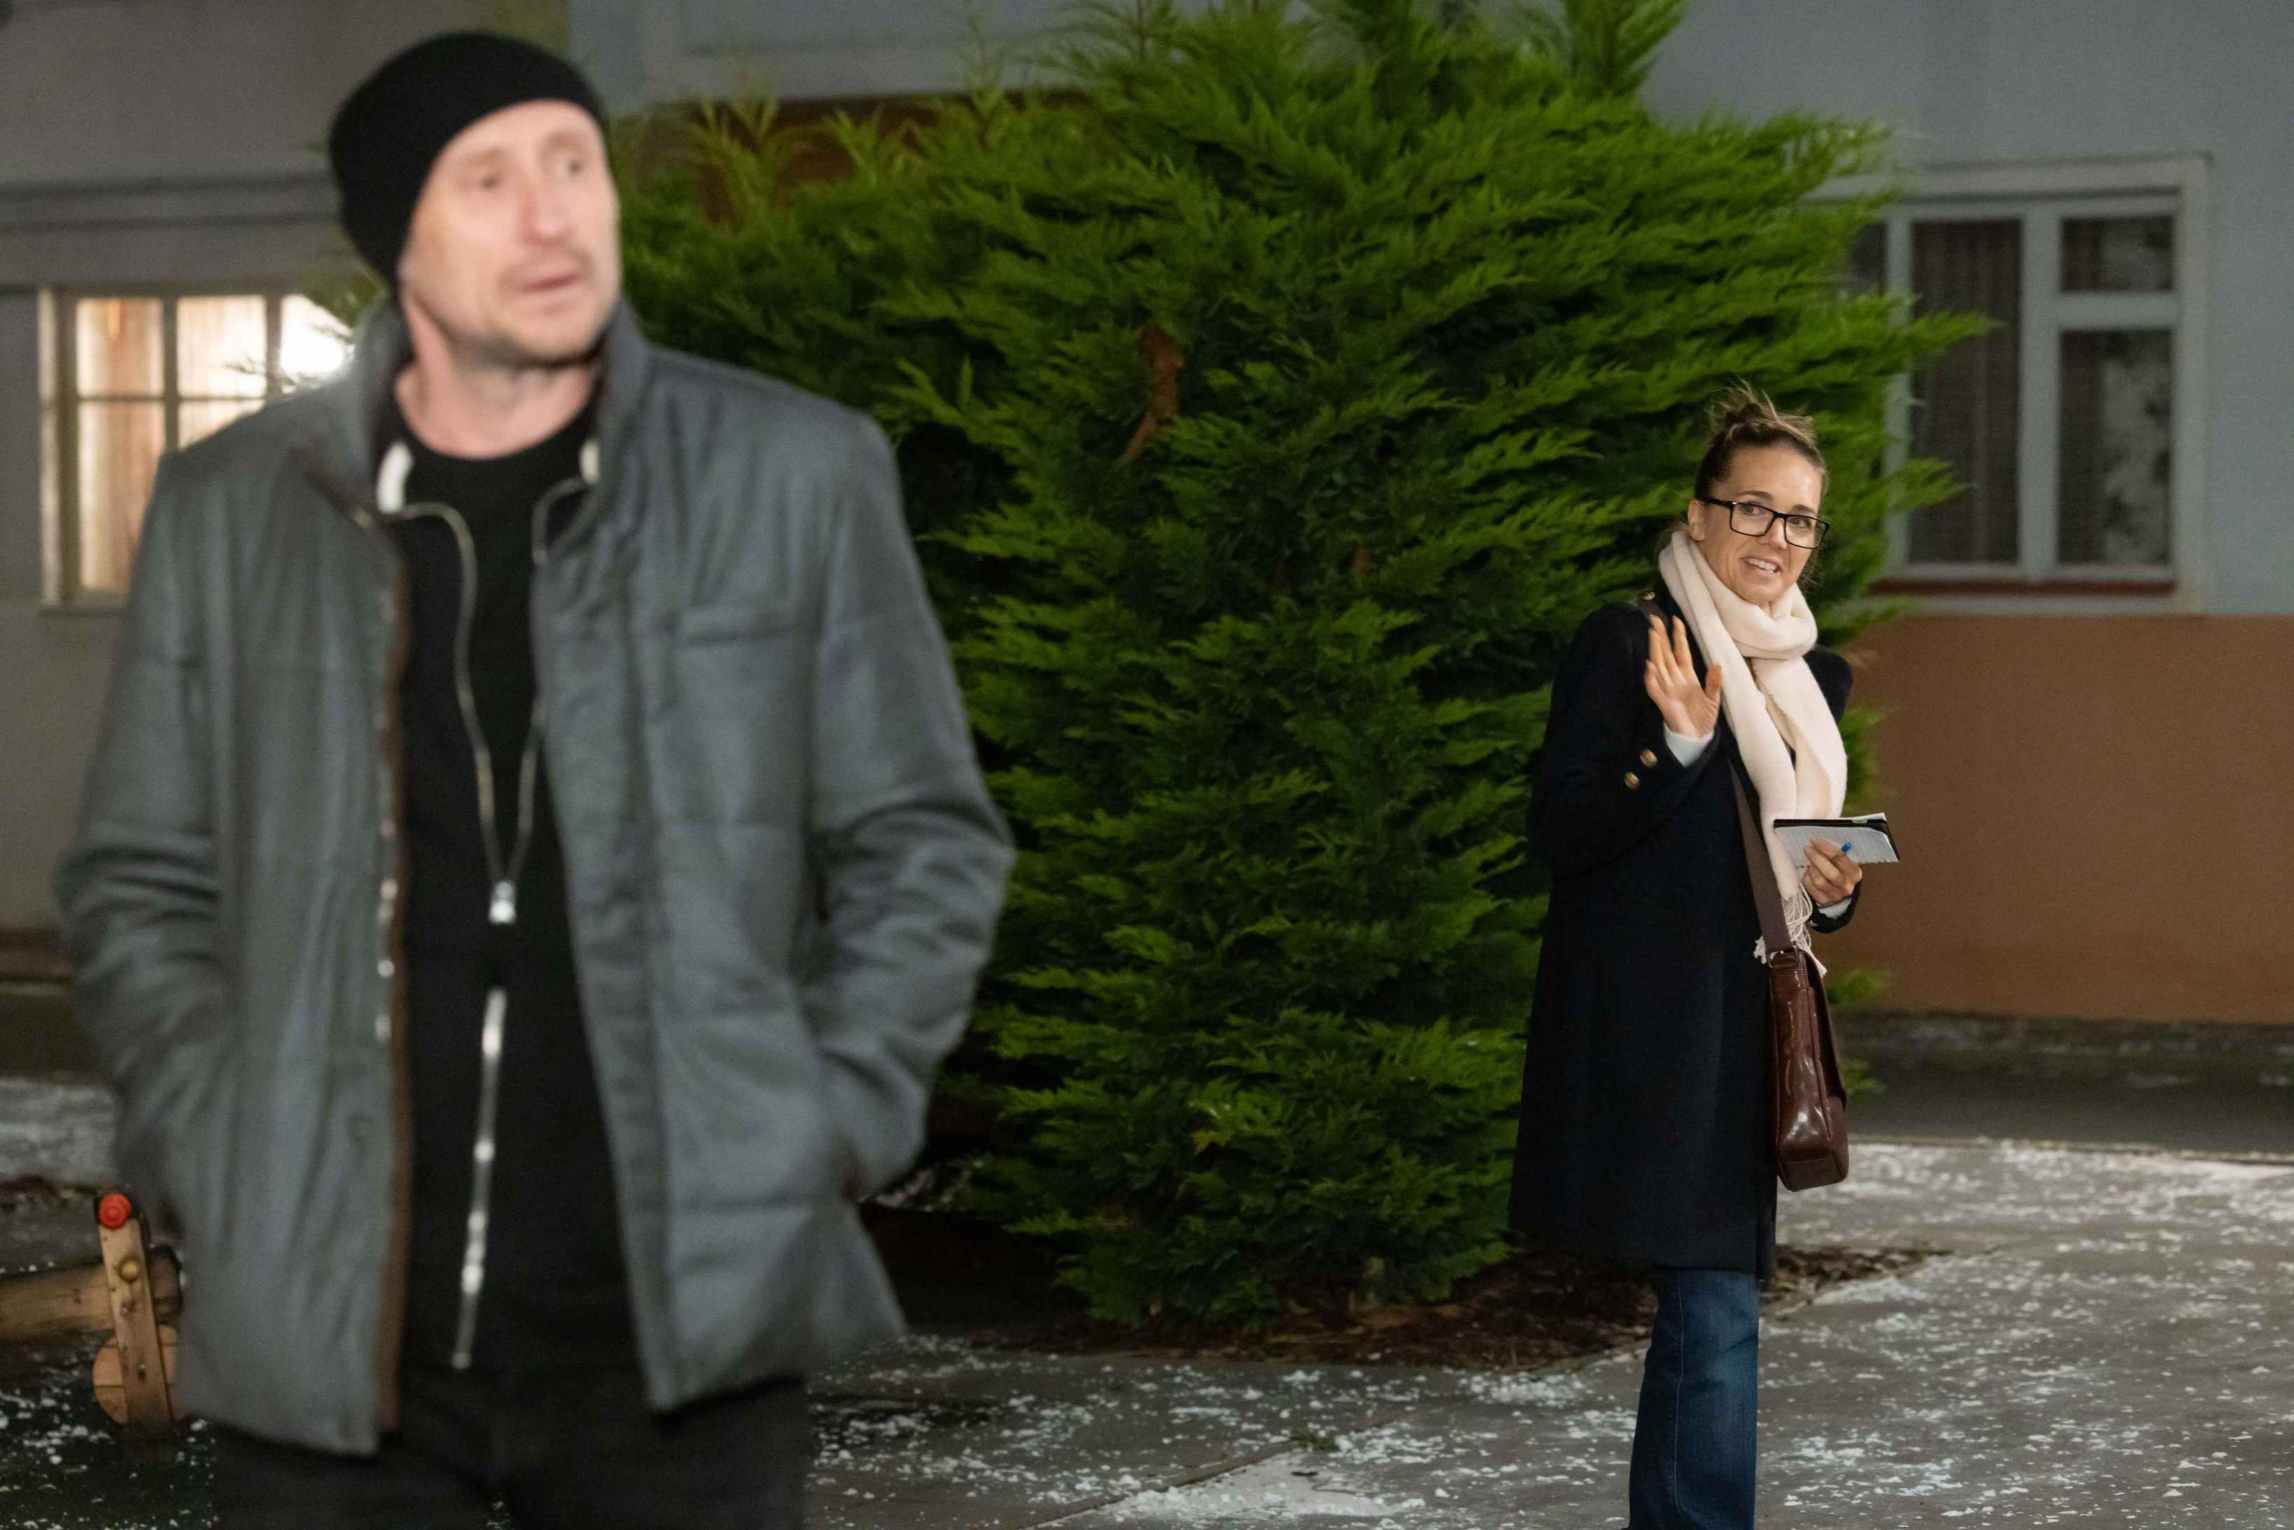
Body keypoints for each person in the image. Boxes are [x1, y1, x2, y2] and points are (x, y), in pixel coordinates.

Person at [53, 31, 1012, 1529]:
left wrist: (828, 1115)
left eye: (574, 162)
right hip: (332, 1345)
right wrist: (209, 1132)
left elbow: (921, 838)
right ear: (396, 240)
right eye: (488, 180)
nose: (552, 214)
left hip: (673, 1339)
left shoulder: (791, 475)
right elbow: (140, 878)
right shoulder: (235, 506)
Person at [1507, 387, 1865, 1530]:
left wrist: (1833, 889)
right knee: (1713, 1311)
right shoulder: (1628, 644)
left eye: (1797, 519)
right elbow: (1560, 831)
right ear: (1698, 514)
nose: (1774, 538)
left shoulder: (1812, 683)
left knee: (1712, 1312)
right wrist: (1674, 745)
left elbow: (1782, 861)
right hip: (1651, 1035)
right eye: (1750, 509)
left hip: (1746, 1031)